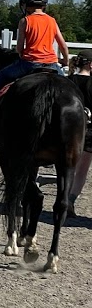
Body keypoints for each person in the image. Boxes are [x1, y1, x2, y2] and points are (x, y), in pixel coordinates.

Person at [0, 0, 69, 125]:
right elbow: (63, 46)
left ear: (24, 4)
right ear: (44, 4)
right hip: (51, 64)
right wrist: (65, 61)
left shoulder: (25, 21)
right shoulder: (52, 21)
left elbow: (19, 48)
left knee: (1, 75)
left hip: (29, 64)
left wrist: (23, 54)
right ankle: (85, 110)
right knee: (69, 87)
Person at [67, 48, 92, 215]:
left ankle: (64, 197)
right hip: (89, 131)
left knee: (68, 167)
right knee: (82, 169)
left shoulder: (68, 80)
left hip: (68, 130)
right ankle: (71, 199)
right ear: (91, 65)